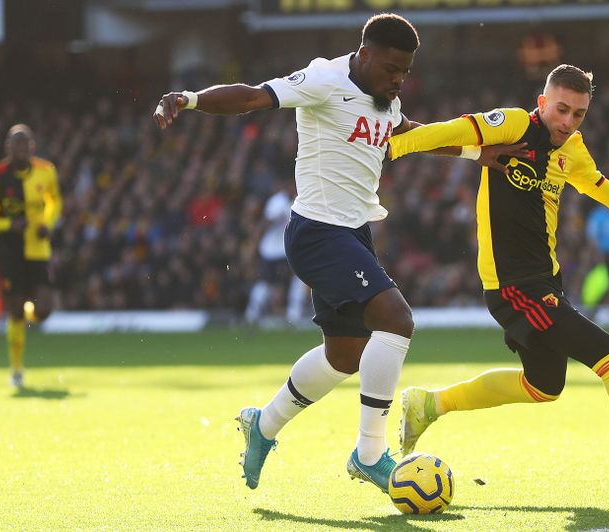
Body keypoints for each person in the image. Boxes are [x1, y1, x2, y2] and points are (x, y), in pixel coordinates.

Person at [153, 13, 521, 493]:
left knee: (345, 356)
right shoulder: (324, 79)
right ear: (364, 54)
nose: (398, 78)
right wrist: (191, 98)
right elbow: (252, 96)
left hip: (354, 233)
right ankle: (369, 454)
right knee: (397, 320)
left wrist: (475, 154)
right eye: (391, 68)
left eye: (405, 71)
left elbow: (406, 133)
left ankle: (262, 425)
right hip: (317, 232)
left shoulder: (387, 97)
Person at [389, 65, 609, 487]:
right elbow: (448, 131)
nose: (568, 122)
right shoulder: (513, 125)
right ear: (542, 103)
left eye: (578, 114)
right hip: (514, 287)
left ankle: (428, 404)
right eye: (561, 110)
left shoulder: (572, 151)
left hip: (545, 284)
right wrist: (391, 146)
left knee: (543, 386)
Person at [0, 124, 62, 388]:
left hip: (37, 247)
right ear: (8, 147)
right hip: (7, 250)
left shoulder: (47, 171)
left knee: (45, 308)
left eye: (25, 144)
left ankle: (29, 311)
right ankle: (16, 369)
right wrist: (8, 225)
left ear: (32, 147)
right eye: (16, 144)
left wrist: (48, 222)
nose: (21, 149)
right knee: (13, 311)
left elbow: (55, 201)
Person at [244, 183, 309, 326]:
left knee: (296, 279)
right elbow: (265, 223)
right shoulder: (278, 201)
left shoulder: (301, 201)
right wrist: (253, 246)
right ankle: (252, 315)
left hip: (286, 250)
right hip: (272, 251)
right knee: (267, 283)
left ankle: (293, 314)